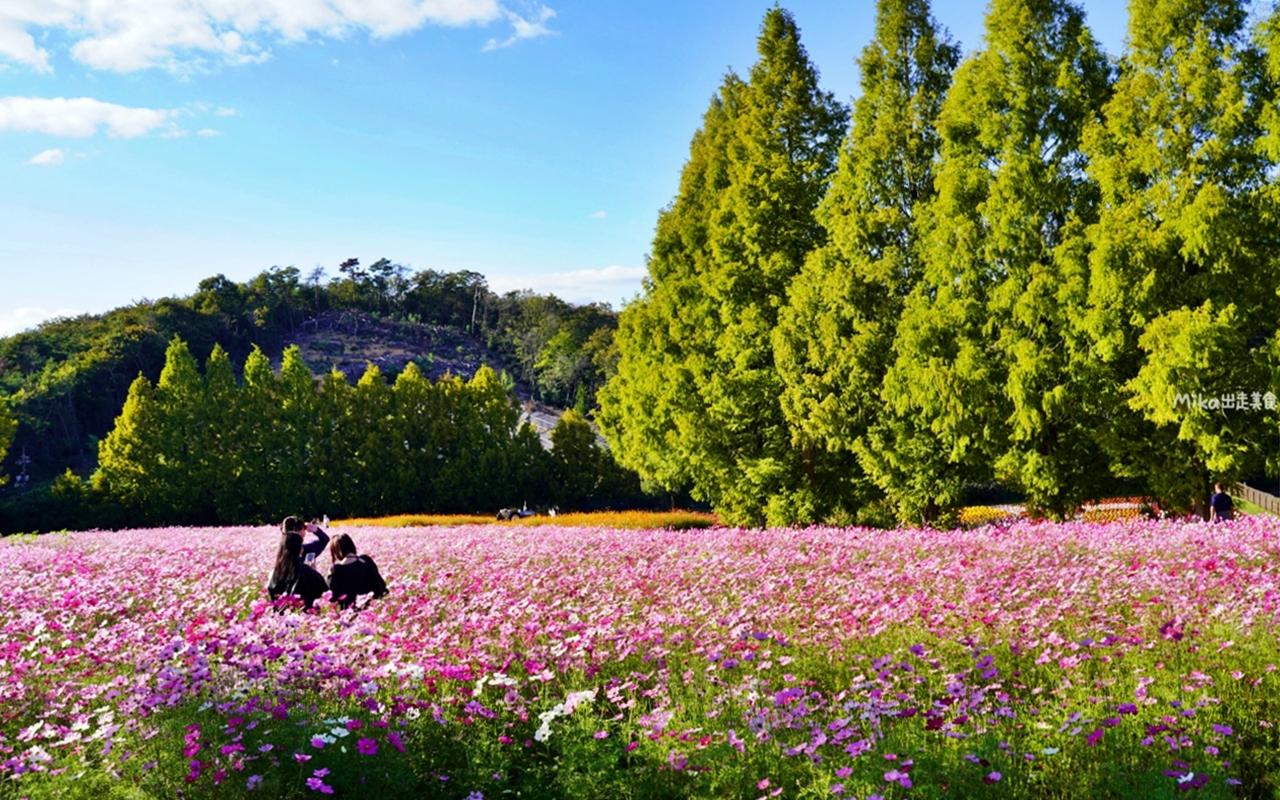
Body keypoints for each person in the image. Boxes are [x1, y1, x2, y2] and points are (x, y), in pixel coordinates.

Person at [267, 530, 328, 609]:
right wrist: (313, 571)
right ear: (299, 549)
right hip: (304, 616)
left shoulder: (273, 573)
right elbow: (323, 591)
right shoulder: (305, 571)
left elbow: (274, 597)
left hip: (280, 618)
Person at [326, 533, 388, 610]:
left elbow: (333, 596)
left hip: (349, 612)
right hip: (372, 608)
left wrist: (329, 576)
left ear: (336, 551)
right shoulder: (366, 561)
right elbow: (379, 585)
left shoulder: (335, 570)